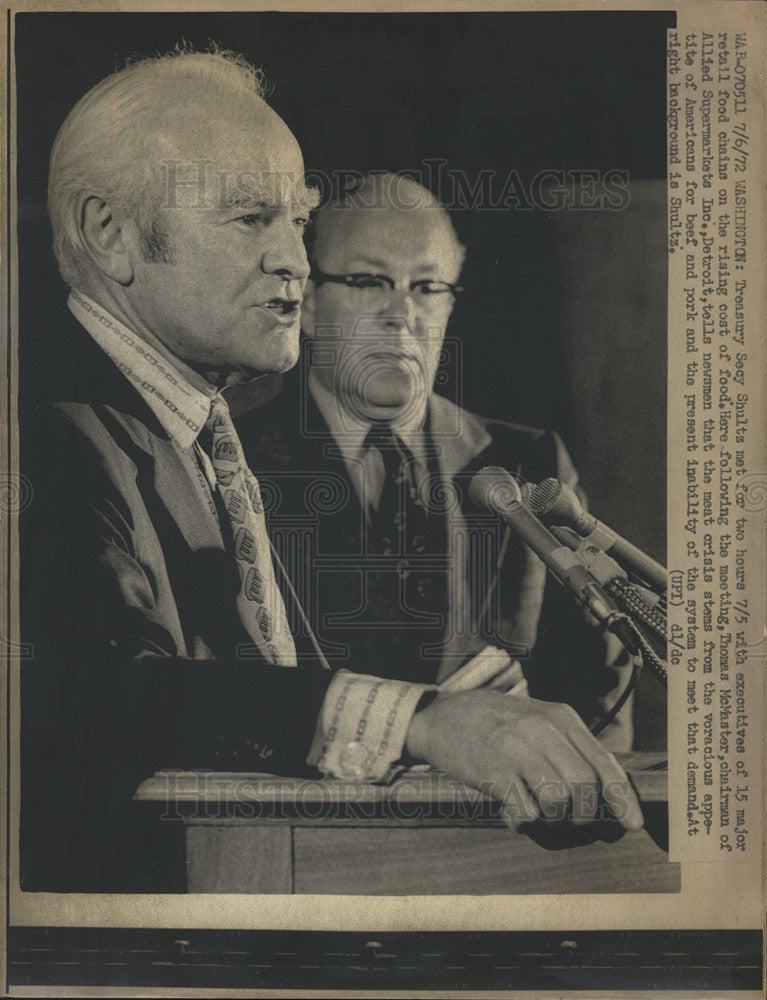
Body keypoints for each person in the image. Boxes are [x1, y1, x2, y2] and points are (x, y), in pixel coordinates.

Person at [20, 49, 642, 894]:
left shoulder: (184, 425)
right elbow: (106, 699)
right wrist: (425, 719)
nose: (295, 262)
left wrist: (473, 709)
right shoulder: (39, 433)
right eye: (250, 219)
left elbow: (251, 702)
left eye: (297, 222)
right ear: (108, 233)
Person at [236, 172, 634, 742]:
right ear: (308, 302)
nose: (402, 314)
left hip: (494, 824)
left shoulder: (529, 461)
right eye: (369, 281)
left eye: (426, 287)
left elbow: (600, 691)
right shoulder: (234, 459)